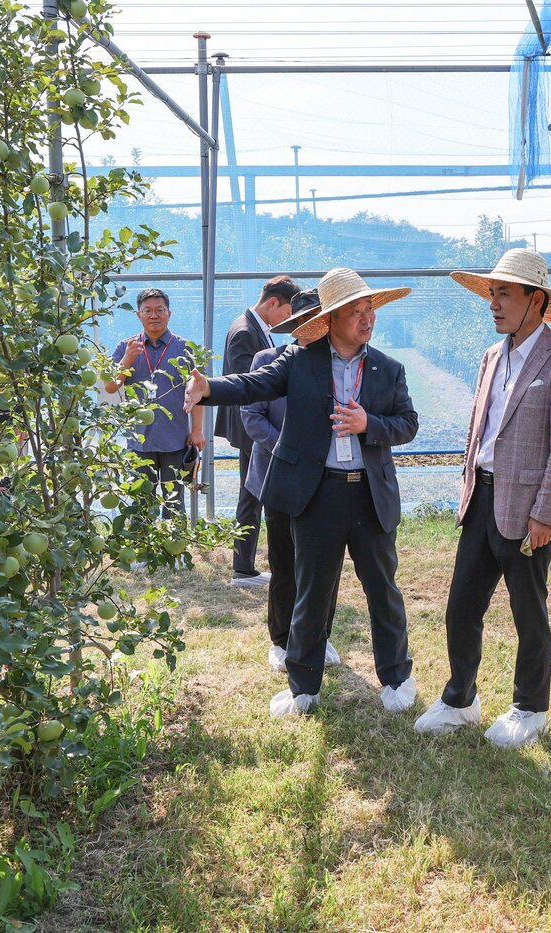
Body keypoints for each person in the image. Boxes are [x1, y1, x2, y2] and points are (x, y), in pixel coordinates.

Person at [184, 268, 419, 718]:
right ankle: (304, 686)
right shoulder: (299, 361)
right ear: (330, 318)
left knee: (382, 589)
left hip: (369, 495)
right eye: (356, 310)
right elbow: (253, 384)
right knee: (311, 589)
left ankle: (395, 677)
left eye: (370, 308)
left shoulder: (388, 369)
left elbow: (407, 424)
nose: (367, 318)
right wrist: (208, 387)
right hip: (319, 493)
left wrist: (369, 424)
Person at [413, 248, 551, 749]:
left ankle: (530, 708)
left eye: (504, 293)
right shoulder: (492, 356)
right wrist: (468, 485)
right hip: (482, 499)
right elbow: (481, 429)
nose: (493, 303)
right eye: (492, 293)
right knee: (461, 606)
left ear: (537, 300)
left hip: (529, 510)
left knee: (528, 612)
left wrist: (546, 513)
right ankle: (460, 699)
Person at [238, 288, 341, 674]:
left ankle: (319, 637)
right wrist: (290, 448)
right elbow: (252, 416)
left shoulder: (341, 365)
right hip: (278, 477)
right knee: (284, 562)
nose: (314, 327)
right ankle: (281, 640)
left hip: (326, 480)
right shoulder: (268, 360)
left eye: (322, 319)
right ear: (294, 325)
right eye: (306, 321)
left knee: (325, 566)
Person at [217, 276, 300, 587]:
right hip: (252, 426)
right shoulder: (244, 332)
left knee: (252, 494)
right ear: (273, 302)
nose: (288, 321)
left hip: (255, 425)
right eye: (288, 312)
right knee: (251, 495)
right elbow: (247, 384)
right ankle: (243, 568)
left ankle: (245, 566)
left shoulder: (254, 328)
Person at [106, 288, 205, 519]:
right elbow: (111, 386)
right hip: (139, 442)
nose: (154, 315)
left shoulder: (185, 348)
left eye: (159, 310)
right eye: (147, 310)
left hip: (176, 440)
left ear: (169, 313)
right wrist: (127, 360)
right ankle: (140, 542)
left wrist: (197, 430)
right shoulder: (126, 347)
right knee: (141, 503)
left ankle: (175, 542)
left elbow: (199, 391)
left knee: (174, 503)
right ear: (138, 315)